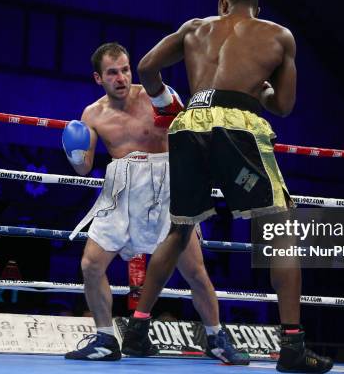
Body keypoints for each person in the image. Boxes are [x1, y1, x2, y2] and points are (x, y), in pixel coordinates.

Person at [121, 0, 333, 373]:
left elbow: (147, 67)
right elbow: (283, 106)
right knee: (281, 228)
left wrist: (164, 102)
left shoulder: (193, 28)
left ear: (223, 3)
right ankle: (292, 346)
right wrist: (262, 92)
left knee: (179, 229)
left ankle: (136, 330)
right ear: (255, 7)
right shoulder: (279, 36)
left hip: (188, 125)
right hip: (238, 127)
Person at [62, 42, 248, 364]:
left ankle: (217, 338)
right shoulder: (91, 115)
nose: (121, 77)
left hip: (168, 184)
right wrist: (75, 153)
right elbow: (85, 167)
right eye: (112, 72)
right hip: (122, 188)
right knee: (91, 264)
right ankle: (106, 339)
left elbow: (187, 130)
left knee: (194, 271)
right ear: (98, 78)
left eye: (125, 69)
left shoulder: (154, 95)